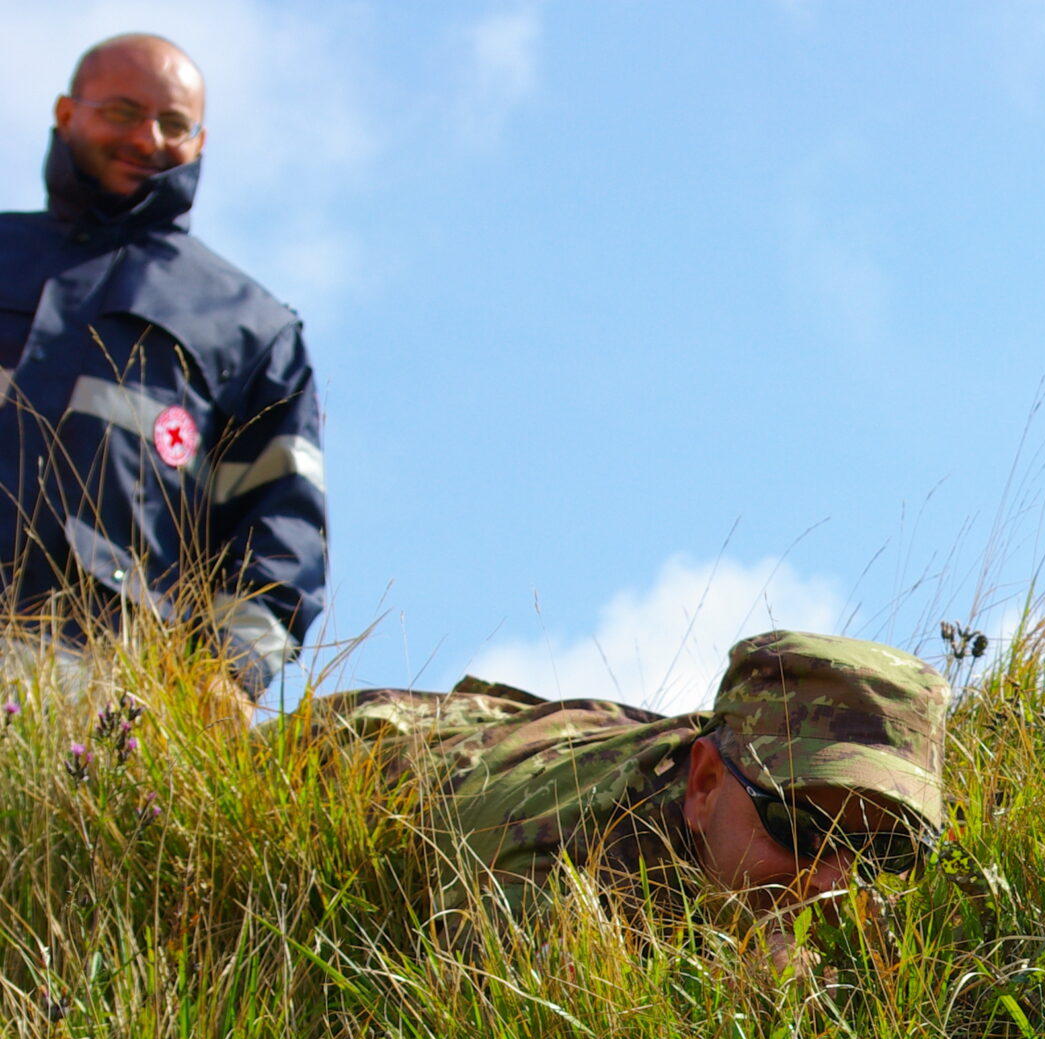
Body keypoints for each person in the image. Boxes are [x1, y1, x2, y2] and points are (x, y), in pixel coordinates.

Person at [0, 34, 326, 702]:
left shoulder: (254, 329)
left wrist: (231, 676)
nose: (147, 139)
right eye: (122, 112)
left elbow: (282, 534)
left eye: (174, 124)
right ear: (67, 114)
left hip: (98, 688)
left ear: (200, 142)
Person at [308, 632, 949, 922]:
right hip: (369, 746)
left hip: (594, 733)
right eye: (801, 829)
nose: (836, 880)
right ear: (705, 787)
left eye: (884, 849)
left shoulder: (743, 770)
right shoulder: (562, 858)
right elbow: (532, 1021)